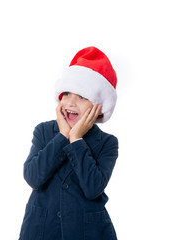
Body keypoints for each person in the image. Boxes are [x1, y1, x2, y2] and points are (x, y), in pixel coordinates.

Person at [18, 46, 119, 240]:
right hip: (42, 230)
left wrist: (76, 140)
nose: (71, 103)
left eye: (82, 97)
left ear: (99, 108)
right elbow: (33, 177)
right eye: (66, 94)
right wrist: (63, 135)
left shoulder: (107, 143)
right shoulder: (44, 131)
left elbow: (92, 188)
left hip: (88, 232)